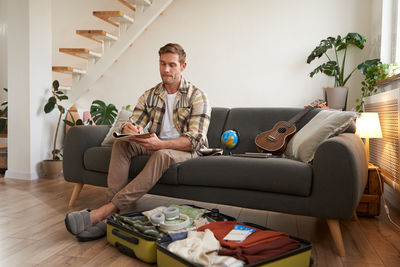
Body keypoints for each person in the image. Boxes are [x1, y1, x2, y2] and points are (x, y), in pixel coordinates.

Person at [65, 43, 211, 241]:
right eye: (162, 64)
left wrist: (161, 144)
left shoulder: (198, 96)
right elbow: (133, 122)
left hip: (186, 149)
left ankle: (104, 212)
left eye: (172, 65)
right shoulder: (150, 95)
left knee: (162, 153)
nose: (166, 70)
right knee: (122, 144)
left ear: (183, 66)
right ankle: (114, 217)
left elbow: (194, 140)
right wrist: (128, 129)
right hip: (157, 143)